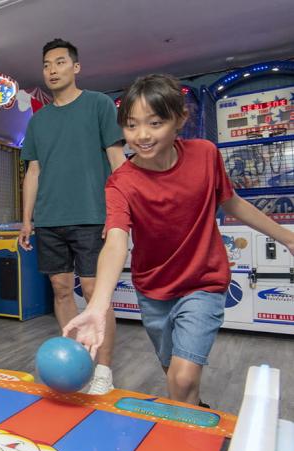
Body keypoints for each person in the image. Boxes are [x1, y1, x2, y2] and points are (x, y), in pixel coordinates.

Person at [63, 74, 294, 406]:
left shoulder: (205, 155)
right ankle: (194, 418)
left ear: (180, 119)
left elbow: (232, 202)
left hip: (203, 283)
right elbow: (115, 242)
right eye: (130, 125)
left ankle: (186, 442)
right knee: (177, 378)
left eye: (155, 122)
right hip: (154, 292)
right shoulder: (121, 183)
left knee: (183, 378)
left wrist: (287, 237)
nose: (142, 135)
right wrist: (98, 306)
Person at [18, 38, 127, 394]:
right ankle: (78, 361)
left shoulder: (98, 105)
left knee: (97, 293)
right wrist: (27, 219)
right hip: (49, 220)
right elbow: (32, 171)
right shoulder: (38, 121)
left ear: (75, 67)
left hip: (92, 215)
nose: (52, 70)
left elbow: (117, 161)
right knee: (61, 290)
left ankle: (104, 369)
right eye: (47, 64)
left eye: (60, 62)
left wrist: (122, 213)